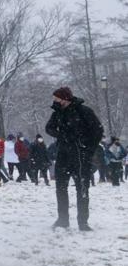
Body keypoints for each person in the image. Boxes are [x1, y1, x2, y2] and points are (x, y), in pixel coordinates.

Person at [45, 87, 104, 231]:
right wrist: (61, 135)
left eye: (57, 99)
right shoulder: (57, 113)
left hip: (80, 155)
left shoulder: (84, 111)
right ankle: (62, 219)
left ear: (65, 98)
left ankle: (83, 222)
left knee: (82, 188)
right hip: (63, 155)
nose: (55, 101)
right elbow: (48, 128)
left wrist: (88, 148)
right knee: (60, 188)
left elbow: (98, 130)